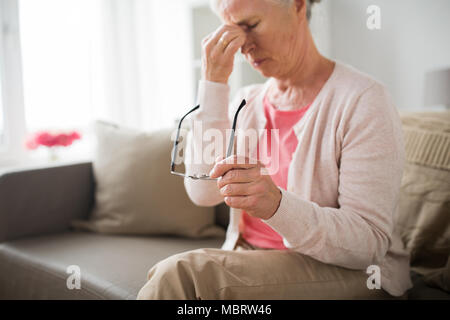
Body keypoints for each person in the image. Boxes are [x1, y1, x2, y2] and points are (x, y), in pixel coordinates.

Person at [137, 0, 412, 299]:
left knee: (181, 276)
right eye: (231, 30)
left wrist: (276, 205)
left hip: (353, 273)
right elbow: (203, 192)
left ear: (296, 5)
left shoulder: (363, 100)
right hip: (254, 260)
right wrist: (213, 84)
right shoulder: (247, 102)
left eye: (251, 25)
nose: (244, 46)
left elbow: (368, 244)